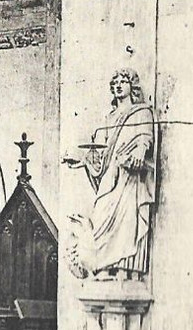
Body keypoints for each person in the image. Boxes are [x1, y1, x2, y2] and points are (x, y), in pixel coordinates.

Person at [65, 69, 156, 276]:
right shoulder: (110, 117)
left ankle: (123, 268)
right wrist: (81, 159)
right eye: (115, 82)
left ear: (132, 86)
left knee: (127, 221)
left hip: (129, 177)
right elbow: (101, 152)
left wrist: (140, 151)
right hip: (110, 174)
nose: (118, 85)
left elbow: (145, 137)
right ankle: (103, 266)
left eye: (123, 81)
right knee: (102, 215)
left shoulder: (142, 112)